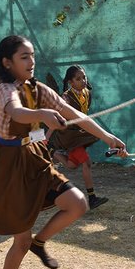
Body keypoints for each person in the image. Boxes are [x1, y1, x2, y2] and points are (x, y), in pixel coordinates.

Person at [0, 35, 128, 269]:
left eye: (32, 55)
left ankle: (40, 244)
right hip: (11, 165)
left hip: (36, 155)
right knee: (21, 239)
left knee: (77, 204)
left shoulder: (38, 88)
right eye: (24, 57)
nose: (31, 62)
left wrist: (109, 137)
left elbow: (75, 114)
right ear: (7, 62)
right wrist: (42, 113)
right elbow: (17, 112)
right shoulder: (4, 90)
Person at [47, 65, 108, 209]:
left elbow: (84, 114)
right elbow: (57, 117)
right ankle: (92, 198)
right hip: (69, 136)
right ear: (70, 82)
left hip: (80, 134)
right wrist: (46, 137)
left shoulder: (87, 93)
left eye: (84, 77)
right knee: (86, 163)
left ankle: (54, 153)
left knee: (72, 165)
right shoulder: (66, 98)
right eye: (78, 79)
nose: (83, 81)